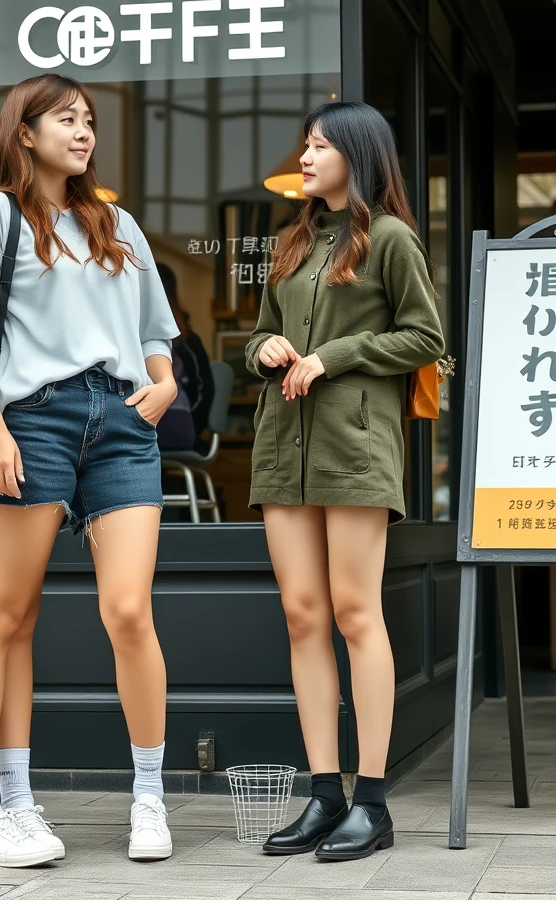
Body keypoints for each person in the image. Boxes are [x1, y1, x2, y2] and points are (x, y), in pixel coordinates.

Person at [0, 74, 179, 868]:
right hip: (32, 421)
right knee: (7, 617)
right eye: (65, 119)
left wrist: (165, 382)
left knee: (129, 612)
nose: (82, 132)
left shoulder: (117, 225)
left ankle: (149, 797)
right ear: (25, 131)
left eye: (88, 121)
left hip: (121, 424)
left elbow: (154, 331)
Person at [245, 101, 443, 861]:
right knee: (303, 616)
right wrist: (265, 349)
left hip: (355, 450)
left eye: (320, 145)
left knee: (357, 615)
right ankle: (324, 794)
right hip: (281, 448)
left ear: (356, 156)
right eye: (305, 144)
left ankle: (373, 799)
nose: (305, 155)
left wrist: (339, 354)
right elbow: (260, 328)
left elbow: (425, 335)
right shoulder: (292, 243)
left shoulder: (389, 239)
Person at [156, 262, 215, 454]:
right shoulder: (188, 339)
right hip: (183, 428)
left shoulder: (185, 341)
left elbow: (204, 391)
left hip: (175, 429)